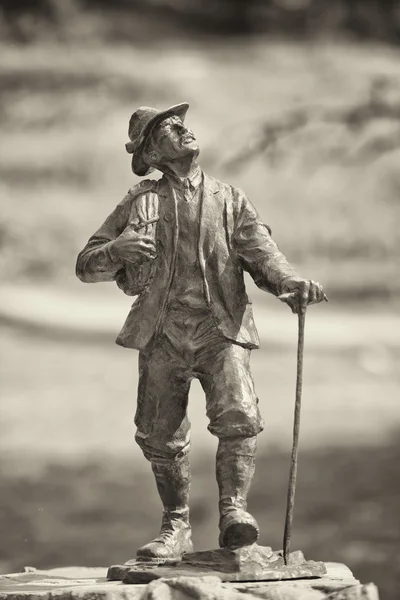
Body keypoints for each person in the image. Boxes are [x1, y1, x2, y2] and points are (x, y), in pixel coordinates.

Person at [76, 103, 325, 562]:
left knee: (239, 416)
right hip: (162, 332)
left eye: (180, 123)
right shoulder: (139, 202)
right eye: (169, 128)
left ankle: (234, 512)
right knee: (159, 432)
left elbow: (262, 253)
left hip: (220, 330)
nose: (183, 129)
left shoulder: (229, 199)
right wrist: (118, 249)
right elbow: (86, 264)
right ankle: (176, 526)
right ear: (151, 153)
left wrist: (289, 283)